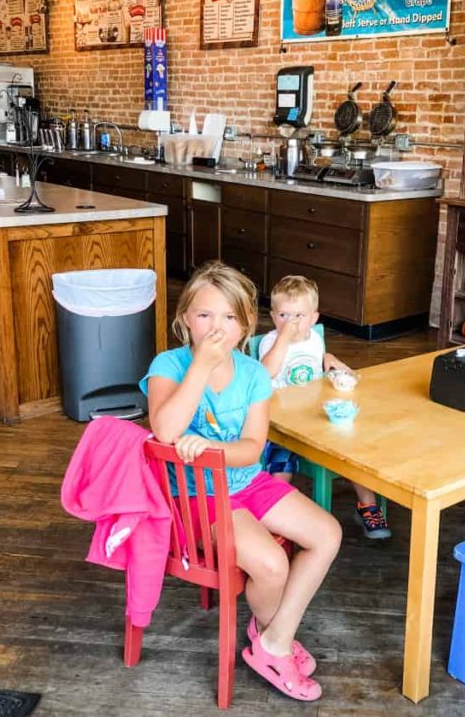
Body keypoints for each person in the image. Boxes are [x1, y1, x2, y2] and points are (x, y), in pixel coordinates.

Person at [141, 261, 341, 702]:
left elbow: (252, 448)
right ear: (184, 319)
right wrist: (200, 368)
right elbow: (166, 431)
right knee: (271, 564)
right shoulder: (168, 365)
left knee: (327, 533)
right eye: (205, 315)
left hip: (248, 482)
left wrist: (210, 452)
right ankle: (276, 642)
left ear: (247, 324)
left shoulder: (252, 374)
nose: (217, 327)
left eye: (230, 317)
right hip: (197, 498)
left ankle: (273, 640)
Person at [258, 275, 392, 540]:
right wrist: (282, 340)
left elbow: (320, 363)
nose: (291, 322)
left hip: (317, 417)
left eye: (299, 315)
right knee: (280, 467)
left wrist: (329, 358)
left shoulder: (315, 340)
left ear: (314, 318)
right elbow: (265, 373)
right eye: (284, 315)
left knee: (354, 453)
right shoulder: (270, 342)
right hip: (283, 426)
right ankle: (273, 519)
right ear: (274, 317)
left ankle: (368, 506)